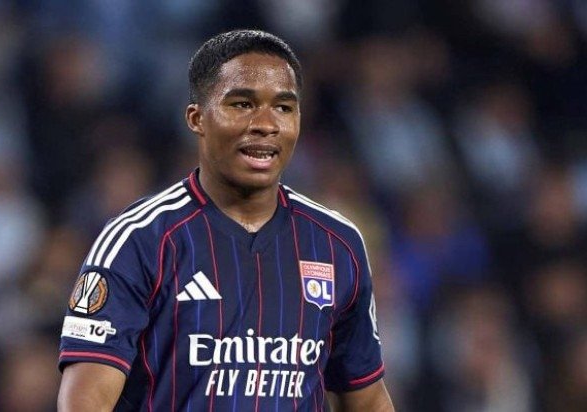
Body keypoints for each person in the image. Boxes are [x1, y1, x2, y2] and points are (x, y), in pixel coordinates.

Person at [57, 29, 395, 411]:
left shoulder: (337, 243)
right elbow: (85, 401)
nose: (266, 123)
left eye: (284, 108)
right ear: (197, 118)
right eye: (243, 104)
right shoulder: (140, 240)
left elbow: (367, 399)